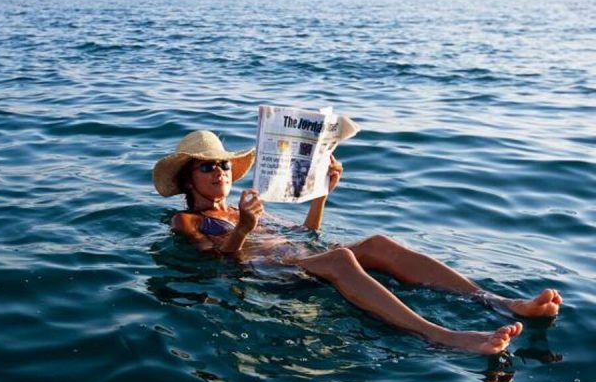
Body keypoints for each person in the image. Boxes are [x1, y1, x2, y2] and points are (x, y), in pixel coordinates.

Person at [153, 129, 563, 354]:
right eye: (208, 166)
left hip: (298, 258)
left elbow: (307, 236)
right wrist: (242, 230)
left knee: (377, 243)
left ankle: (499, 302)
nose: (220, 172)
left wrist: (322, 194)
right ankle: (443, 335)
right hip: (267, 273)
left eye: (224, 165)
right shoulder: (187, 219)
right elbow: (219, 261)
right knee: (341, 258)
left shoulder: (244, 206)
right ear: (189, 178)